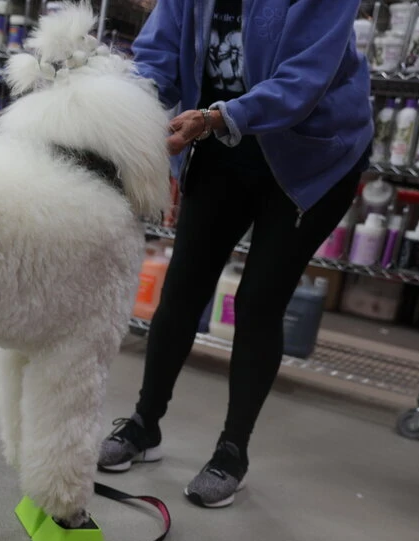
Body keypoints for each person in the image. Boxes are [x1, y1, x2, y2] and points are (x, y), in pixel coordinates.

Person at [97, 0, 373, 508]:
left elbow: (302, 82)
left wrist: (217, 116)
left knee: (259, 303)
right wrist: (126, 109)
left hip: (309, 154)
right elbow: (157, 55)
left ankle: (232, 450)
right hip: (221, 145)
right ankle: (144, 424)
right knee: (182, 288)